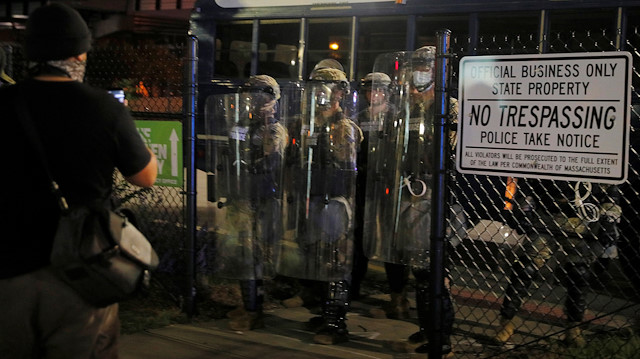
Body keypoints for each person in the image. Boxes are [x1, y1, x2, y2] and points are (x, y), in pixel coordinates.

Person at [0, 3, 158, 358]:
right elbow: (146, 177)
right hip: (81, 271)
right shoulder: (104, 107)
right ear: (80, 53)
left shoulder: (4, 104)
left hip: (8, 271)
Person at [360, 46, 457, 356]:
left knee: (433, 268)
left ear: (438, 71)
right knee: (417, 266)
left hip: (435, 194)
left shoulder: (449, 107)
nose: (420, 72)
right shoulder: (406, 109)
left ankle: (442, 336)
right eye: (417, 66)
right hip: (408, 192)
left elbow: (452, 154)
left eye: (427, 67)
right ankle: (429, 327)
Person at [277, 66, 363, 345]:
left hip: (333, 201)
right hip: (308, 198)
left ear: (339, 93)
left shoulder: (344, 126)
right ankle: (321, 312)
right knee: (312, 256)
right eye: (315, 88)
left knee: (335, 259)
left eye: (327, 88)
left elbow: (344, 165)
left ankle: (336, 322)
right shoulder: (304, 123)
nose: (320, 94)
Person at [494, 179, 621, 348]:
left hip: (582, 218)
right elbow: (530, 183)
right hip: (548, 215)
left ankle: (573, 328)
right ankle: (506, 321)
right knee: (526, 268)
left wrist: (609, 220)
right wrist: (525, 210)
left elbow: (611, 190)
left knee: (579, 273)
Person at [221, 75, 288, 331]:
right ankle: (248, 305)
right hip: (242, 196)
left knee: (254, 256)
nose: (255, 101)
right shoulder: (244, 125)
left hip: (262, 199)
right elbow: (232, 153)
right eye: (251, 96)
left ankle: (254, 311)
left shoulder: (274, 129)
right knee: (242, 253)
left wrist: (248, 165)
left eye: (261, 96)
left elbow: (271, 163)